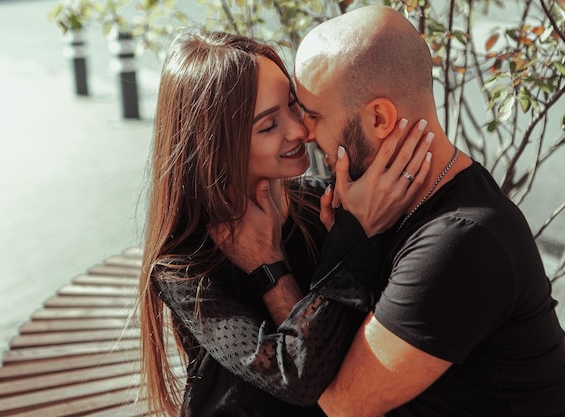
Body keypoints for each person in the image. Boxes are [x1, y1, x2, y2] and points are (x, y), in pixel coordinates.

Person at [222, 5, 565, 417]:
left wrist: (272, 265)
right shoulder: (395, 205)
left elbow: (342, 401)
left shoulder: (460, 239)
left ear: (379, 118)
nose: (304, 132)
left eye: (313, 114)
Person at [137, 29, 433, 417]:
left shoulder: (324, 203)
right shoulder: (186, 265)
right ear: (214, 146)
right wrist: (271, 264)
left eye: (293, 105)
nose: (299, 130)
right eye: (267, 126)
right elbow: (297, 375)